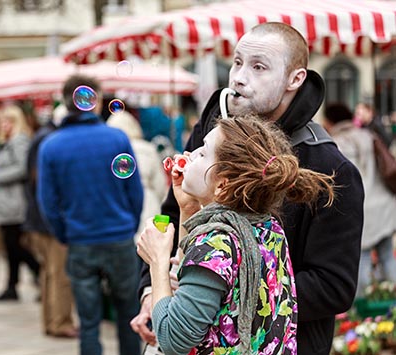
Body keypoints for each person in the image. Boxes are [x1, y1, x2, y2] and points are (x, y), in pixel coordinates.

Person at [132, 22, 364, 355]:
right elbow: (173, 211)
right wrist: (151, 293)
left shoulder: (331, 168)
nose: (239, 77)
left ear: (295, 79)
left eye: (258, 67)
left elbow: (334, 286)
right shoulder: (216, 133)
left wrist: (216, 291)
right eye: (238, 62)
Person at [138, 115, 335, 355]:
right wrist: (187, 208)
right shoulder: (267, 228)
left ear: (222, 185)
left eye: (203, 152)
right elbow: (189, 281)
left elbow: (173, 339)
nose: (191, 153)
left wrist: (157, 261)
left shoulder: (216, 243)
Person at [37, 74, 144, 355]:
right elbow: (135, 191)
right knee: (129, 316)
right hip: (119, 237)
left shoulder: (51, 146)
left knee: (88, 322)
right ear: (92, 102)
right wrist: (128, 225)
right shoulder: (116, 138)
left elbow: (48, 202)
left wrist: (64, 233)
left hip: (80, 240)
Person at [324, 103, 396, 298]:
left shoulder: (336, 143)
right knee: (388, 257)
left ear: (331, 121)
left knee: (361, 261)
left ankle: (362, 314)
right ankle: (391, 302)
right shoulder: (368, 136)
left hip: (361, 210)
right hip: (384, 206)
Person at [23, 104, 78, 338]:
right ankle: (60, 322)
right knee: (60, 273)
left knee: (49, 273)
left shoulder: (43, 137)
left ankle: (51, 321)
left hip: (39, 218)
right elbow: (44, 185)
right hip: (48, 220)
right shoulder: (50, 140)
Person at [0, 105, 40, 302]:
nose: (3, 125)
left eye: (8, 121)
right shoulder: (7, 142)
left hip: (13, 202)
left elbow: (23, 168)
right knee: (11, 246)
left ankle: (38, 272)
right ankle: (12, 286)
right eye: (2, 121)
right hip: (7, 202)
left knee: (14, 246)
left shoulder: (20, 141)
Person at [107, 110, 168, 241]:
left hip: (120, 206)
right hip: (149, 202)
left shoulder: (109, 150)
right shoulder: (148, 148)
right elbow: (160, 185)